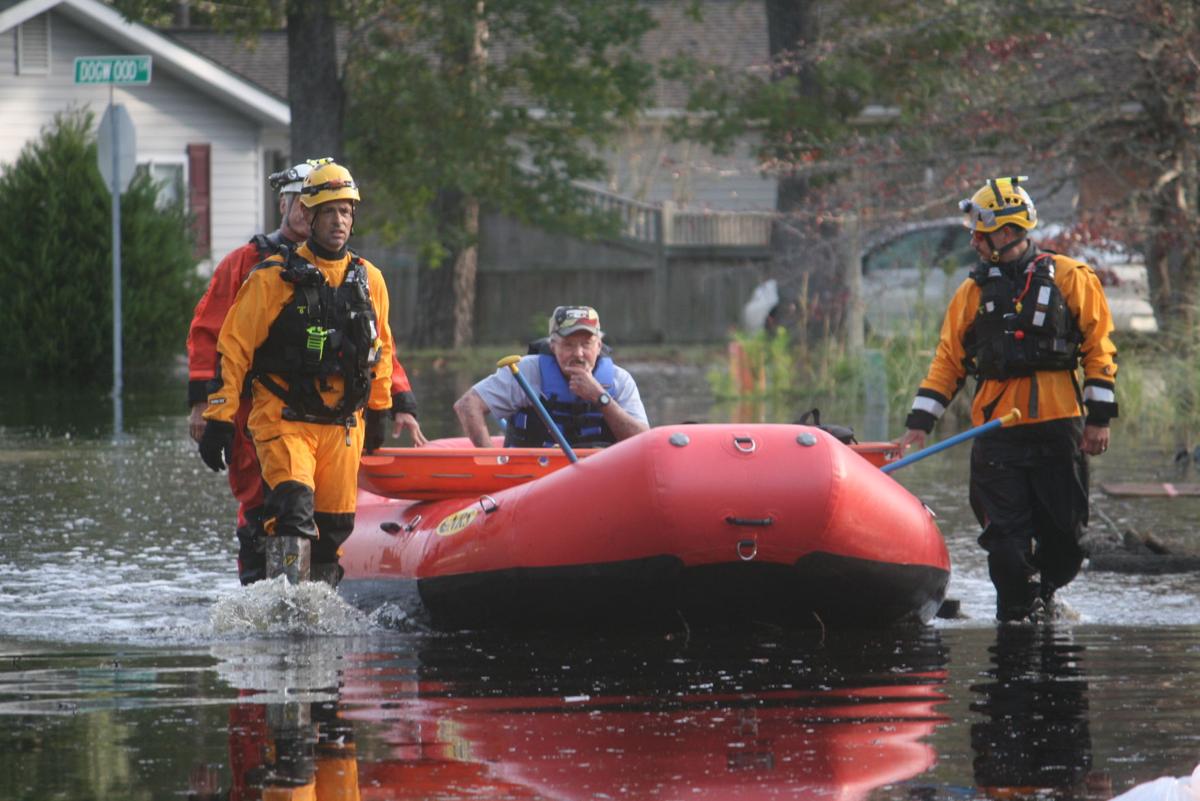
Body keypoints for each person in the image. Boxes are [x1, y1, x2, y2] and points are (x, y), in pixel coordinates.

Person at [187, 160, 426, 586]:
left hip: (339, 424)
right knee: (283, 510)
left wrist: (385, 406)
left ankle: (317, 612)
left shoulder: (367, 278)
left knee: (330, 527)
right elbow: (223, 343)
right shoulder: (262, 271)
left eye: (345, 211)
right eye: (326, 209)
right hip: (275, 414)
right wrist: (212, 413)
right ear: (295, 207)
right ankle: (277, 601)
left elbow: (380, 348)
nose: (338, 220)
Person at [898, 176, 1119, 623]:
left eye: (981, 232)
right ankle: (1016, 624)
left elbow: (1099, 352)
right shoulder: (971, 294)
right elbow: (948, 363)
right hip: (999, 437)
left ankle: (1045, 592)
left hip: (1060, 431)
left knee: (1067, 544)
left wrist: (1099, 420)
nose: (974, 242)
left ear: (1006, 231)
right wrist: (920, 423)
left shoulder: (1074, 279)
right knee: (1005, 545)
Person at [453, 305, 649, 448]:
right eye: (568, 345)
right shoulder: (525, 371)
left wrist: (601, 398)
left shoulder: (619, 380)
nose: (578, 353)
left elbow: (643, 441)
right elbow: (467, 405)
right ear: (553, 345)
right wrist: (491, 462)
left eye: (586, 344)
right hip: (532, 479)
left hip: (600, 476)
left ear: (598, 346)